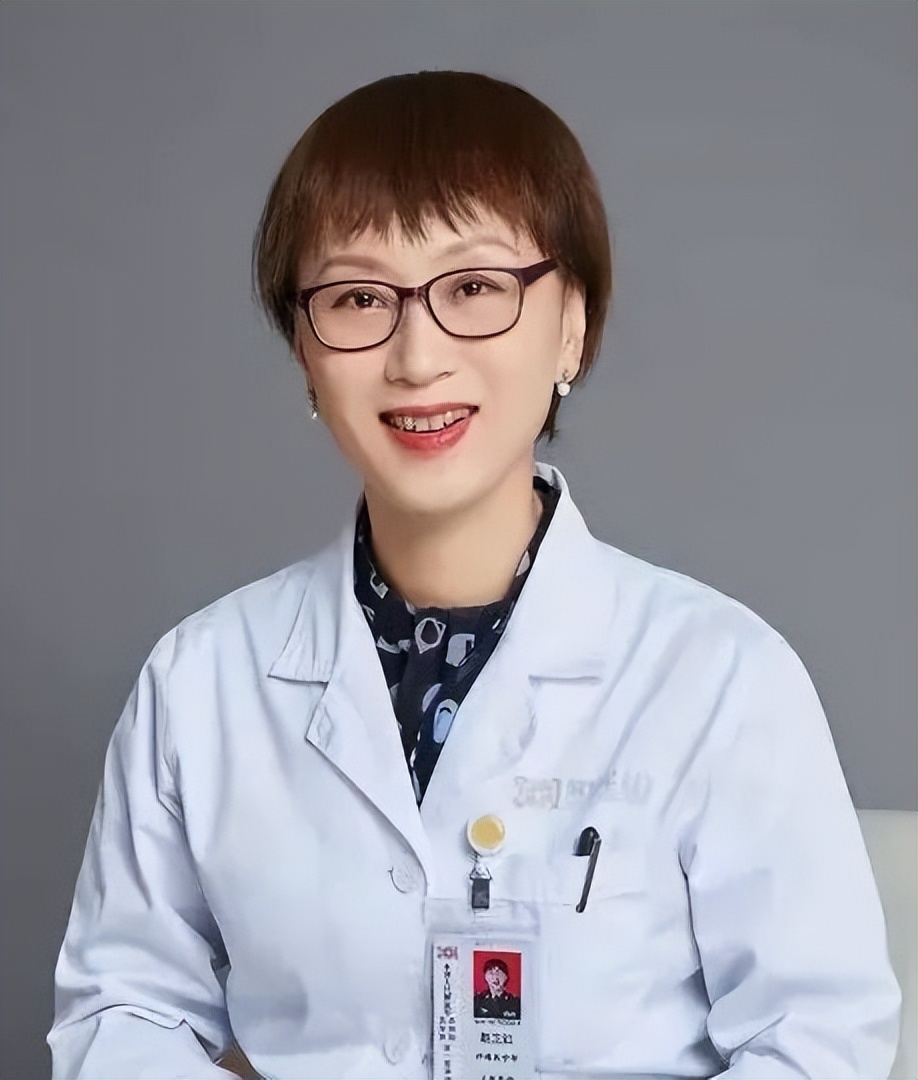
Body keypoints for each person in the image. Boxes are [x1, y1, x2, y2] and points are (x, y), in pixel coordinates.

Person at [48, 71, 900, 1080]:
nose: (417, 357)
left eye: (474, 289)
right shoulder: (199, 683)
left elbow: (815, 1043)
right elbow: (123, 1012)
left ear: (572, 325)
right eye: (358, 298)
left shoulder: (722, 679)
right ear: (304, 353)